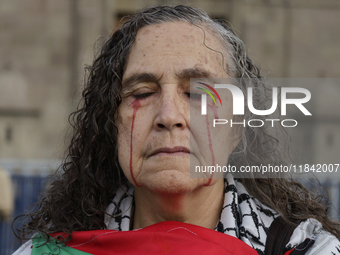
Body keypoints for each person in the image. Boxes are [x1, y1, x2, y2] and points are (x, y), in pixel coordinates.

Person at [13, 5, 340, 255]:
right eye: (141, 93)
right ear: (113, 123)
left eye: (199, 94)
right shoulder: (48, 252)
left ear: (237, 127)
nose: (169, 116)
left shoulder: (307, 250)